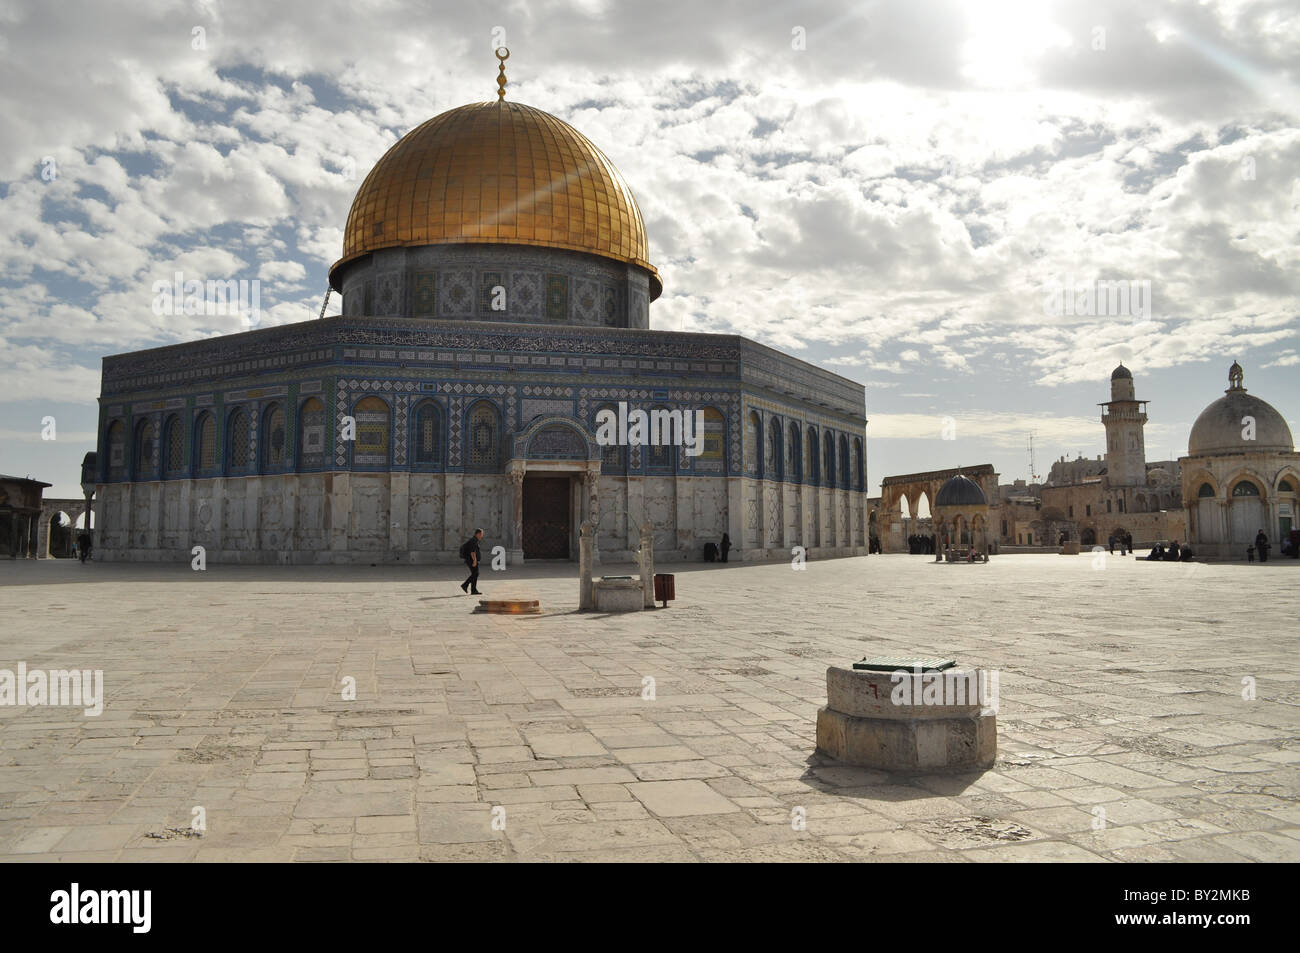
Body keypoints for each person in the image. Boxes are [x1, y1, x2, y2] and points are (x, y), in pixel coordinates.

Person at [459, 529, 483, 595]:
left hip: (470, 560)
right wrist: (474, 561)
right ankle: (465, 585)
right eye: (481, 534)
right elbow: (472, 552)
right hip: (471, 560)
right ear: (477, 534)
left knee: (475, 574)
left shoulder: (474, 540)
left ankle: (473, 590)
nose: (482, 536)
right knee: (475, 573)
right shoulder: (473, 540)